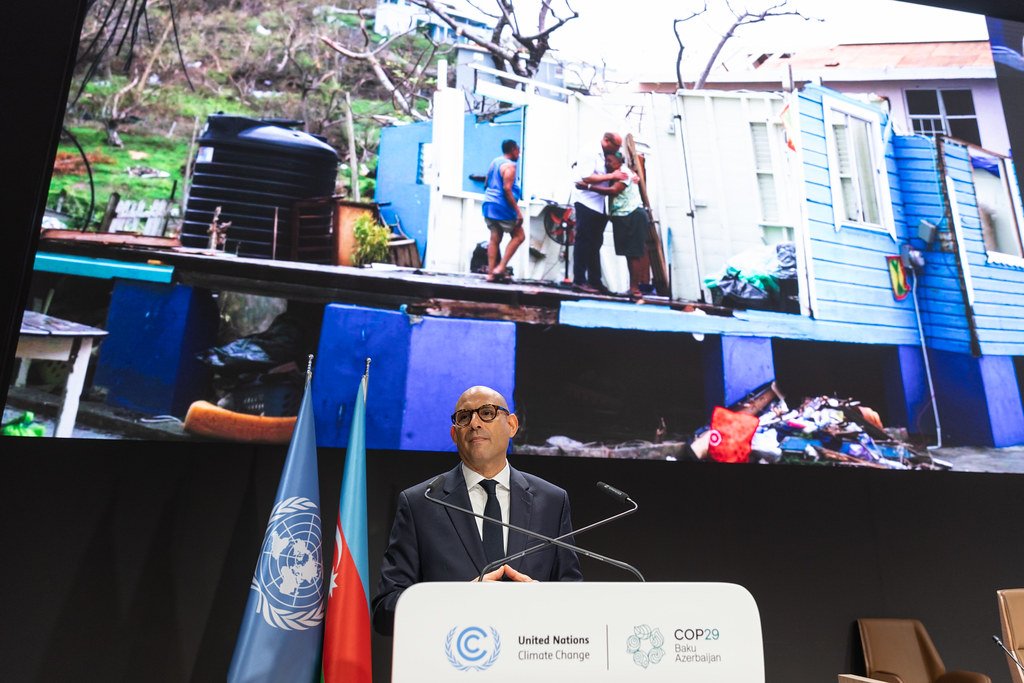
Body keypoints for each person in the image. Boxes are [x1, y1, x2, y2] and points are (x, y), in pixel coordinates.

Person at [370, 385, 582, 636]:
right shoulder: (421, 503)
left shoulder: (551, 501)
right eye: (464, 417)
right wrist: (457, 601)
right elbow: (386, 610)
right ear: (454, 434)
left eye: (487, 413)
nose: (474, 423)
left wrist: (540, 599)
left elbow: (574, 599)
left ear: (512, 425)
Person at [583, 151, 652, 301]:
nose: (607, 164)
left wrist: (588, 187)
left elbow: (614, 191)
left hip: (631, 214)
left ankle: (635, 289)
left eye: (610, 161)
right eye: (606, 161)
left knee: (634, 253)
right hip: (623, 215)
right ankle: (633, 288)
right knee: (629, 253)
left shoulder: (623, 173)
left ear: (619, 162)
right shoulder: (615, 174)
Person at [570, 131, 629, 294]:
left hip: (600, 203)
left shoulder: (605, 154)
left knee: (596, 242)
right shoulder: (589, 151)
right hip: (586, 200)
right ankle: (579, 280)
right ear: (606, 140)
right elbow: (586, 177)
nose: (617, 149)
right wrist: (612, 175)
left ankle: (595, 280)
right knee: (583, 240)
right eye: (616, 146)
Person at [481, 139, 525, 283]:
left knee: (495, 238)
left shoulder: (495, 162)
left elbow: (486, 182)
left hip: (488, 204)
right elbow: (507, 189)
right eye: (518, 150)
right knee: (519, 236)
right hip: (502, 206)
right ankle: (501, 267)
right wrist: (518, 211)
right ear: (513, 150)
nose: (519, 153)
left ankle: (491, 274)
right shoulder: (510, 167)